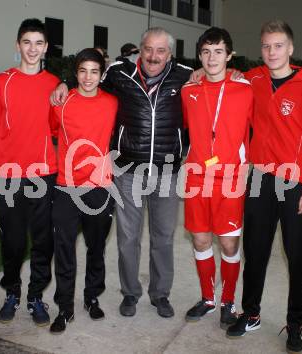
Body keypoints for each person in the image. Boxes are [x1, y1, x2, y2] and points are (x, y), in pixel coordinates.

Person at [51, 27, 192, 318]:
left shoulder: (185, 76)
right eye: (148, 49)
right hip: (129, 169)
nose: (153, 56)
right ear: (139, 49)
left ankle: (160, 294)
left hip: (167, 171)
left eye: (161, 50)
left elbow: (211, 83)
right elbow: (90, 73)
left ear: (170, 53)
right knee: (128, 237)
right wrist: (65, 81)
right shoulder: (119, 73)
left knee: (163, 237)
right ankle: (130, 293)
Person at [225, 20, 302, 353]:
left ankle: (296, 322)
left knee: (298, 256)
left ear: (291, 48)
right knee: (254, 251)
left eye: (278, 45)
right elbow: (222, 79)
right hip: (259, 178)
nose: (272, 52)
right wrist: (200, 74)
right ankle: (252, 312)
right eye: (266, 46)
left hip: (296, 182)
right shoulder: (252, 79)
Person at [0, 18, 59, 326]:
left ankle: (36, 297)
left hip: (44, 175)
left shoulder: (55, 84)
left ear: (46, 48)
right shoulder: (2, 81)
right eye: (26, 42)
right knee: (13, 242)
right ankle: (12, 292)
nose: (32, 49)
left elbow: (58, 128)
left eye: (38, 43)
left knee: (43, 242)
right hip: (10, 175)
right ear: (18, 45)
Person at [181, 27, 252, 330]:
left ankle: (228, 301)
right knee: (199, 237)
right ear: (199, 56)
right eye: (206, 52)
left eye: (219, 51)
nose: (212, 58)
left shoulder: (245, 88)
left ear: (230, 55)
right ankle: (209, 298)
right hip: (197, 175)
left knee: (229, 244)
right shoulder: (189, 90)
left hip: (231, 178)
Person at [48, 48, 118, 334]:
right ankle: (65, 307)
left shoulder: (114, 103)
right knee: (64, 249)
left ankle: (92, 297)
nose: (88, 78)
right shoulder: (60, 102)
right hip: (66, 186)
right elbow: (52, 132)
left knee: (96, 247)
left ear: (102, 75)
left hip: (100, 187)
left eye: (94, 71)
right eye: (82, 71)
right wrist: (61, 84)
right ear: (75, 73)